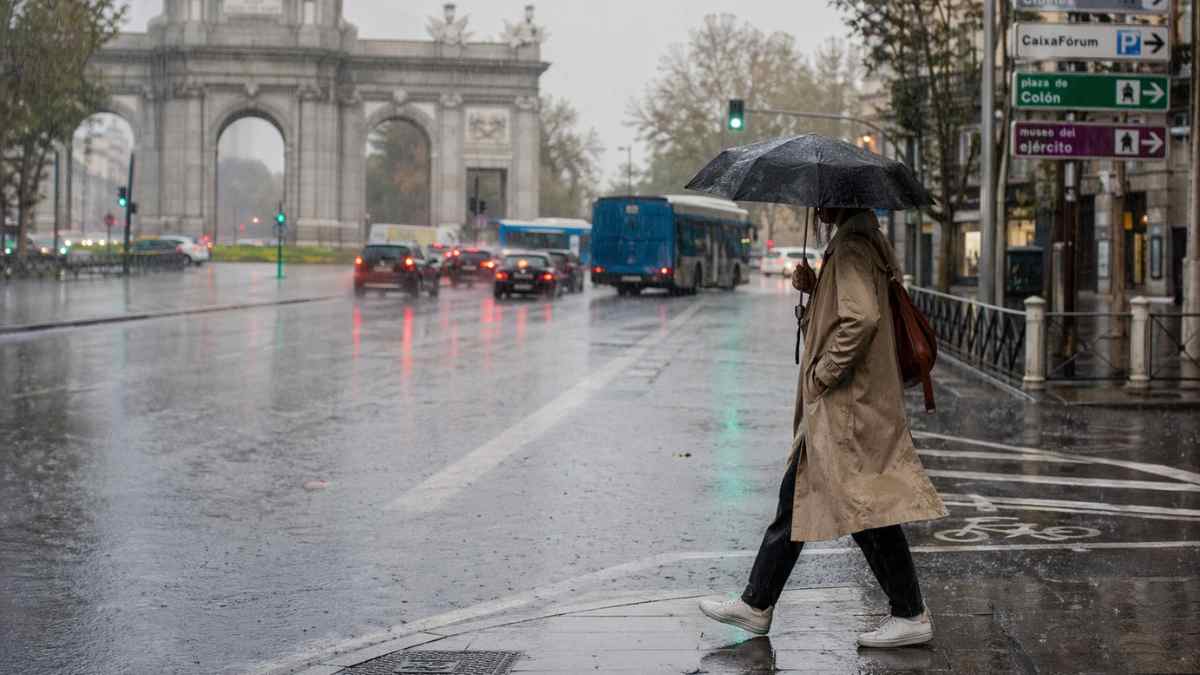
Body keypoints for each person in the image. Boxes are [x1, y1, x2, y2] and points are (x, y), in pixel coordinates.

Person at [699, 206, 947, 648]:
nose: (819, 206)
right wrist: (816, 290)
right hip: (848, 406)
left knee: (860, 509)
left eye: (825, 198)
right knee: (808, 501)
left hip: (846, 406)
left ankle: (908, 612)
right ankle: (758, 602)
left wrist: (824, 372)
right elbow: (850, 311)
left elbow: (862, 318)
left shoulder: (851, 249)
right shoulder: (860, 245)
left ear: (840, 202)